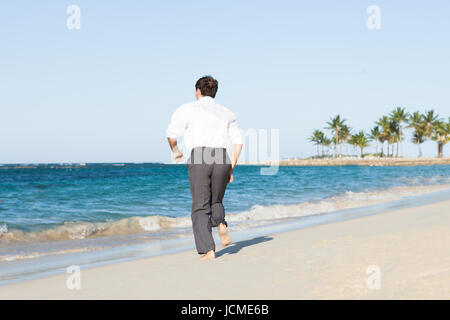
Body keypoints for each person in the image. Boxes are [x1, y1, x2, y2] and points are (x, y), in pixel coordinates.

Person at [166, 76, 243, 260]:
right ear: (214, 92)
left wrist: (176, 150)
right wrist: (231, 167)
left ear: (198, 91)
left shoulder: (187, 108)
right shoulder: (226, 112)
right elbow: (238, 142)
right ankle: (220, 223)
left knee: (200, 206)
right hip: (222, 157)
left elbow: (171, 134)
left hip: (200, 156)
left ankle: (208, 250)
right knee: (216, 200)